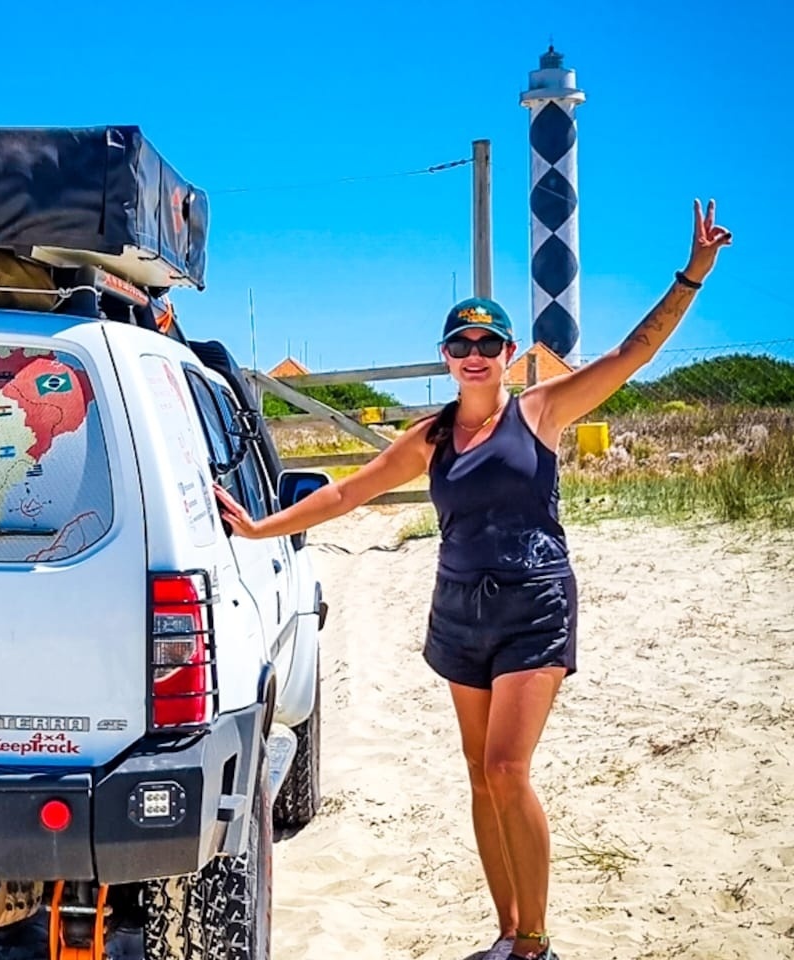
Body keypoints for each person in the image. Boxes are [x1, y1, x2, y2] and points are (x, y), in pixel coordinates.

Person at [215, 200, 732, 960]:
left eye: (488, 340)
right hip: (458, 613)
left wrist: (692, 275)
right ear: (448, 354)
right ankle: (505, 932)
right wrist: (261, 528)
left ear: (509, 350)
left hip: (535, 606)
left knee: (506, 766)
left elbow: (632, 355)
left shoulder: (543, 411)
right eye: (462, 342)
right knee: (479, 776)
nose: (475, 352)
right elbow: (346, 492)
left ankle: (536, 943)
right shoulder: (428, 437)